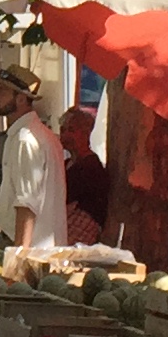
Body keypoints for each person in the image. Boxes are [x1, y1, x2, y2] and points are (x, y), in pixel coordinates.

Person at [0, 64, 67, 251]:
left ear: (20, 99)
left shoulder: (26, 139)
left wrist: (20, 255)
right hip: (41, 248)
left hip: (33, 251)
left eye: (2, 90)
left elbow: (27, 202)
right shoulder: (37, 134)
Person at [57, 102, 117, 247]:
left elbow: (63, 196)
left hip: (80, 237)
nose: (65, 135)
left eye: (71, 130)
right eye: (63, 130)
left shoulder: (90, 167)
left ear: (86, 133)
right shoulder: (66, 163)